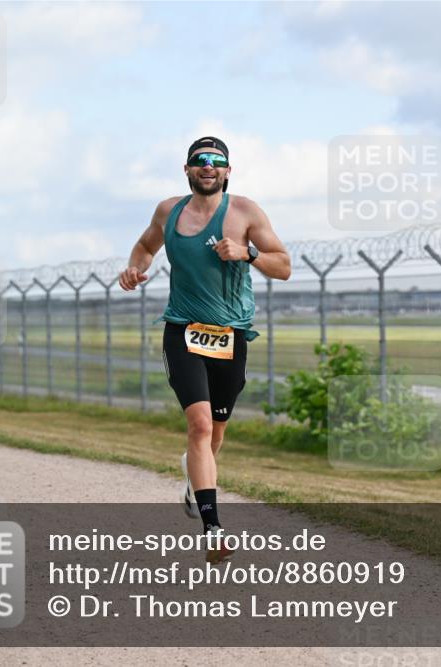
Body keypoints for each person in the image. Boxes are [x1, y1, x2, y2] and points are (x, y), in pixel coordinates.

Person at [119, 136, 291, 563]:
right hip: (182, 330)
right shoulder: (168, 211)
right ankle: (213, 529)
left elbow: (283, 266)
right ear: (188, 169)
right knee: (198, 426)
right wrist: (135, 270)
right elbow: (145, 247)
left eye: (217, 161)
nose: (208, 167)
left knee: (215, 434)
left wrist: (247, 253)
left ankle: (195, 479)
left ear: (228, 171)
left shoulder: (246, 212)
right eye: (200, 161)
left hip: (230, 335)